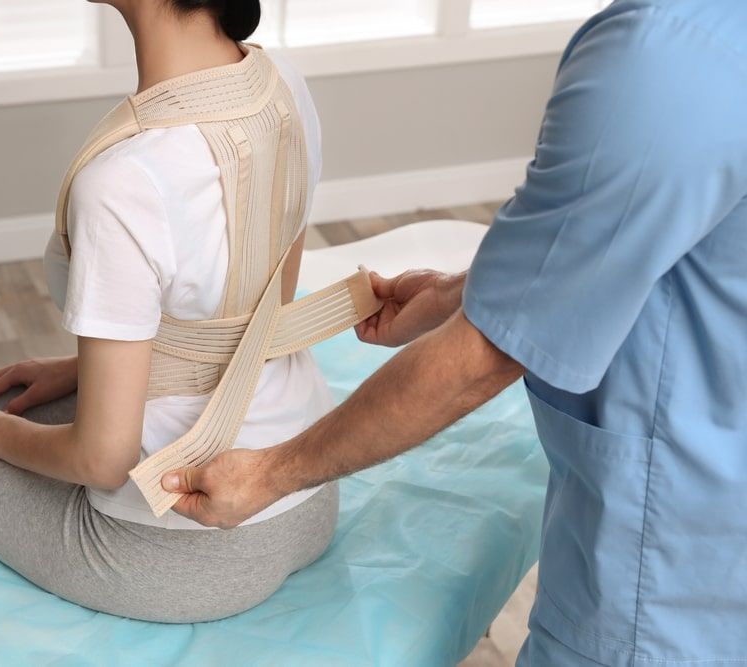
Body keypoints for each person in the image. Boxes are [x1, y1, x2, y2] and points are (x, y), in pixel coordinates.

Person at [160, 0, 747, 663]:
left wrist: (272, 471)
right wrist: (454, 292)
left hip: (676, 580)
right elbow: (647, 228)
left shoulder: (667, 63)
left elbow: (478, 358)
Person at [0, 0, 340, 623]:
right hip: (304, 489)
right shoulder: (282, 87)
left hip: (185, 550)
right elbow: (262, 311)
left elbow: (103, 460)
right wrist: (81, 370)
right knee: (9, 406)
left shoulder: (125, 178)